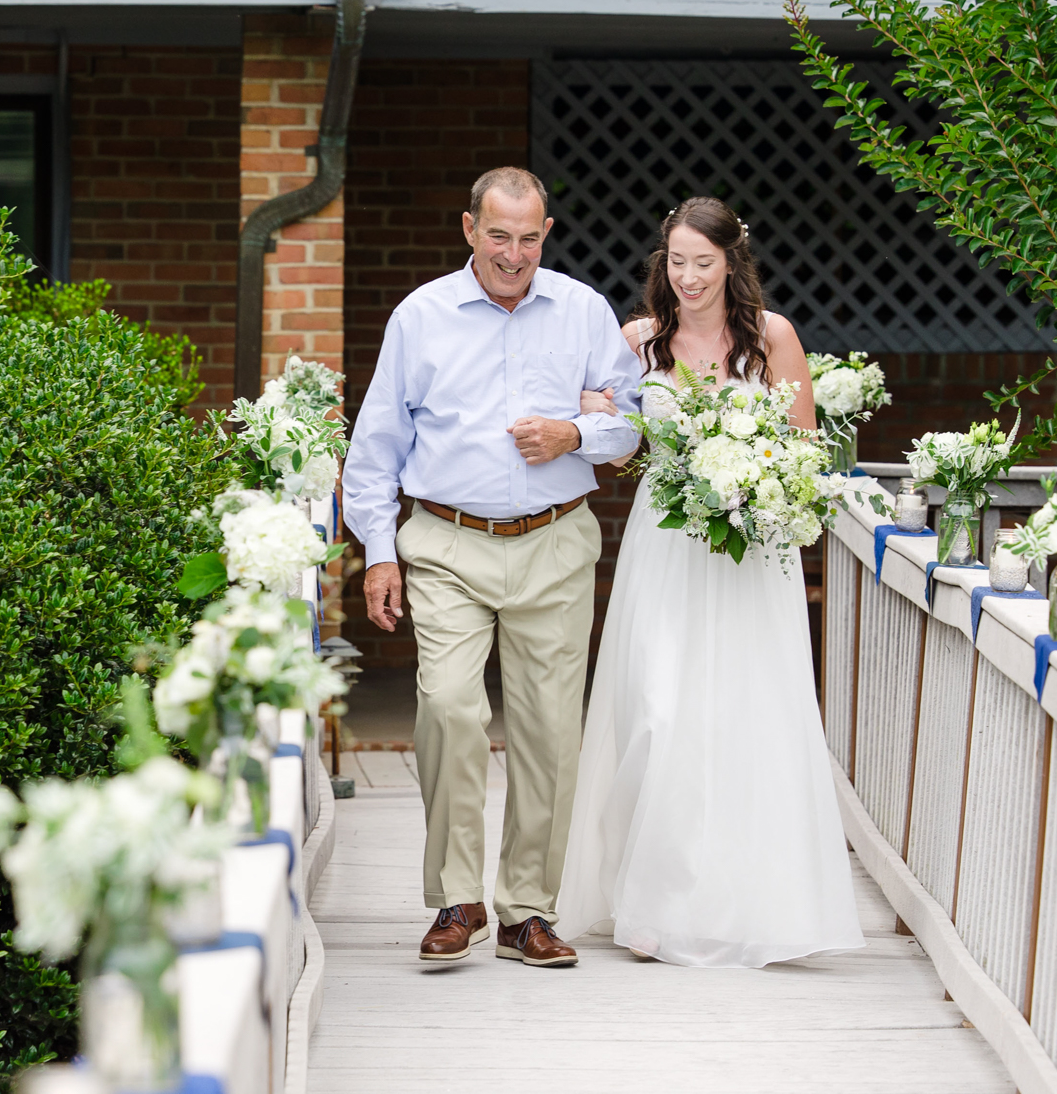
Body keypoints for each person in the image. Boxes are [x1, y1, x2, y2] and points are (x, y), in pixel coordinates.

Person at [342, 166, 642, 968]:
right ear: (470, 228)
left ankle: (526, 913)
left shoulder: (582, 311)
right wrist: (377, 554)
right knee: (448, 708)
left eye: (530, 237)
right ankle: (457, 897)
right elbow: (375, 448)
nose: (515, 253)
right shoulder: (421, 316)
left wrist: (575, 433)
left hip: (554, 540)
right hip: (447, 543)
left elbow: (634, 421)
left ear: (548, 233)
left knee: (549, 730)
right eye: (500, 235)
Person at [556, 196, 865, 968]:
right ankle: (655, 901)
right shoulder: (636, 344)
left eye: (704, 262)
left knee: (742, 719)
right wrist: (598, 413)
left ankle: (749, 901)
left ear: (732, 262)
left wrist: (757, 493)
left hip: (751, 562)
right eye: (676, 262)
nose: (689, 277)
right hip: (664, 553)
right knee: (658, 715)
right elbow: (612, 452)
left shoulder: (772, 341)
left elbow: (805, 459)